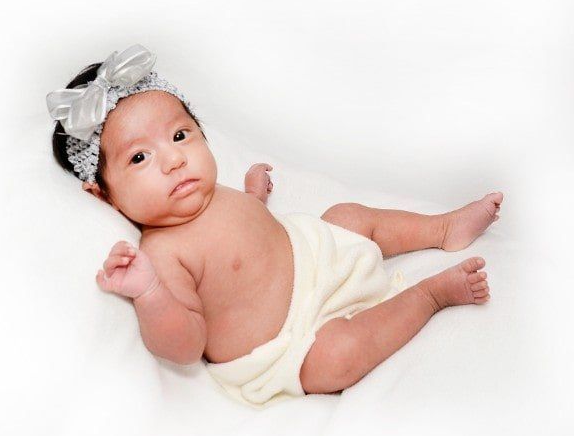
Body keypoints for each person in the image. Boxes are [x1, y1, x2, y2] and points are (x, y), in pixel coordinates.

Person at [47, 44, 502, 408]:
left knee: (347, 216)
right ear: (103, 195)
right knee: (336, 359)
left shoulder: (208, 193)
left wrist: (254, 198)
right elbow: (184, 346)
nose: (173, 159)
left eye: (180, 135)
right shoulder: (162, 253)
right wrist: (149, 292)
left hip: (317, 257)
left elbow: (246, 238)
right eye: (139, 157)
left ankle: (443, 229)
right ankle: (429, 296)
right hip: (292, 342)